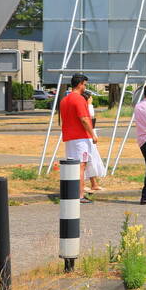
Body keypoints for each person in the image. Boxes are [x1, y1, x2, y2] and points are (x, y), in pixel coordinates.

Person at [59, 73, 96, 203]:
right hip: (80, 138)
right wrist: (93, 134)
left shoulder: (64, 100)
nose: (85, 87)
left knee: (73, 166)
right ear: (80, 84)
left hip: (69, 137)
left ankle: (72, 192)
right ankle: (80, 195)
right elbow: (84, 119)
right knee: (81, 166)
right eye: (85, 84)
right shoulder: (79, 99)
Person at [81, 90, 107, 194]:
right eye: (90, 97)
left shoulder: (86, 107)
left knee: (91, 159)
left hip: (89, 135)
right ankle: (84, 185)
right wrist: (89, 104)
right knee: (87, 160)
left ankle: (94, 183)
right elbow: (89, 117)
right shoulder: (87, 107)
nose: (92, 99)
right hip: (86, 136)